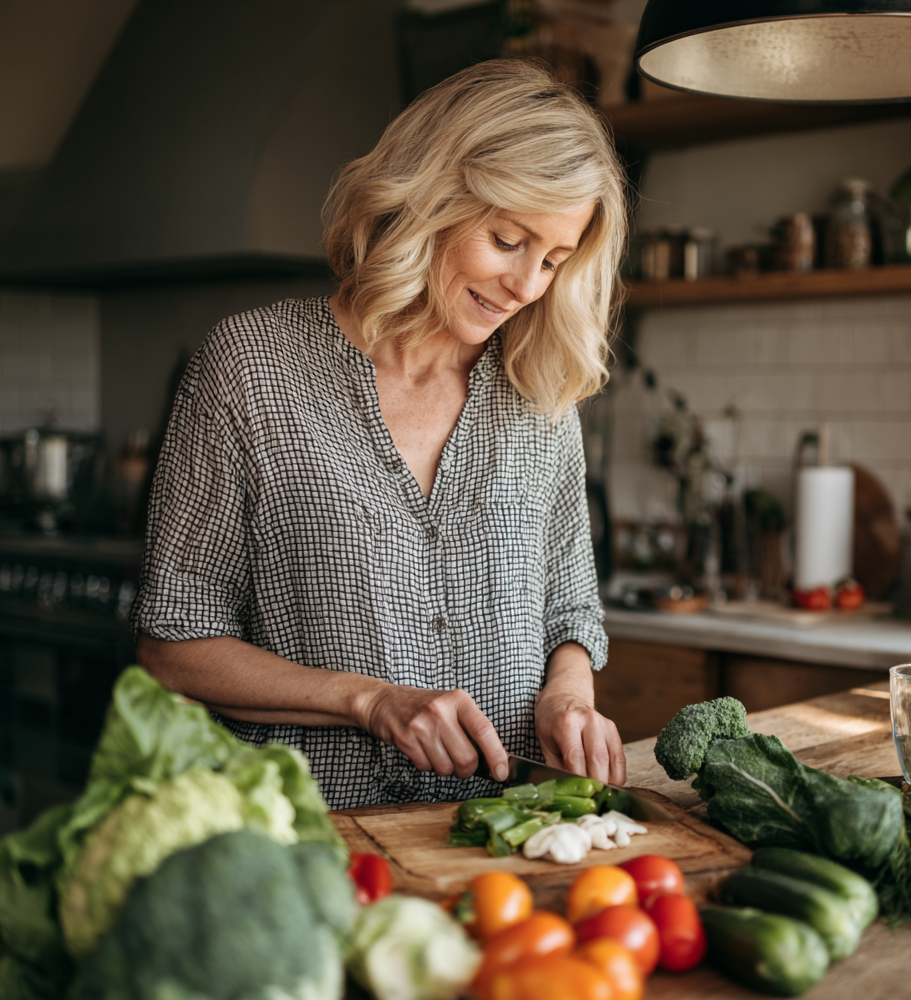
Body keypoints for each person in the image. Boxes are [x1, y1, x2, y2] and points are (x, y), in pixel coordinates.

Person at [132, 58, 629, 811]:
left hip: (505, 849)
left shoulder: (539, 388)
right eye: (506, 240)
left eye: (554, 260)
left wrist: (568, 694)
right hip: (315, 852)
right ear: (431, 196)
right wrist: (371, 702)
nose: (528, 286)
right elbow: (173, 646)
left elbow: (570, 611)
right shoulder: (251, 369)